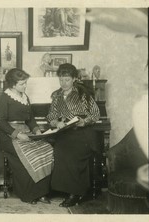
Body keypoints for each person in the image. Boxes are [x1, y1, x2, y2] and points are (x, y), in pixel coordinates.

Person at [46, 63, 100, 207]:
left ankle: (75, 193)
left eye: (67, 80)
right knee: (59, 151)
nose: (64, 83)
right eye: (61, 80)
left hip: (82, 132)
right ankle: (64, 189)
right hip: (65, 132)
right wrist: (55, 122)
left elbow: (95, 114)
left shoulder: (83, 93)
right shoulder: (57, 96)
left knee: (72, 153)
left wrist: (84, 121)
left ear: (74, 79)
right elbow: (51, 115)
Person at [0, 68, 54, 204]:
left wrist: (36, 130)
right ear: (13, 84)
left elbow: (30, 119)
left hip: (26, 133)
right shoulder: (4, 98)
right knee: (29, 154)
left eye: (25, 83)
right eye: (22, 84)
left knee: (47, 149)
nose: (25, 86)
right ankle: (29, 194)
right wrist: (17, 134)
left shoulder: (25, 97)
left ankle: (41, 192)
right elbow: (2, 122)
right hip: (9, 136)